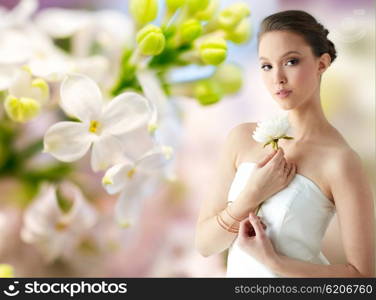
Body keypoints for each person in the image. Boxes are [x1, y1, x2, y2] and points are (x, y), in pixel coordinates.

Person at [194, 10, 375, 277]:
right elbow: (205, 245)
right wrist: (250, 196)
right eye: (266, 65)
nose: (277, 77)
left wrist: (274, 262)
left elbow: (362, 277)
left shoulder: (340, 160)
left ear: (322, 64)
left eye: (291, 61)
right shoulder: (242, 139)